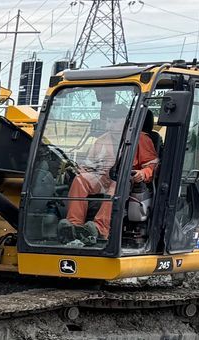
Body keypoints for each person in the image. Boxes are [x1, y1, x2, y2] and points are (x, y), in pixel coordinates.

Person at [64, 91, 159, 242]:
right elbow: (89, 165)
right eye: (109, 121)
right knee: (80, 181)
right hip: (102, 177)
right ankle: (74, 226)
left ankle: (100, 229)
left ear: (126, 122)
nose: (110, 124)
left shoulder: (141, 139)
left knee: (115, 186)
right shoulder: (102, 140)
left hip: (127, 180)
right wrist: (81, 170)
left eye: (115, 121)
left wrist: (143, 173)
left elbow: (152, 165)